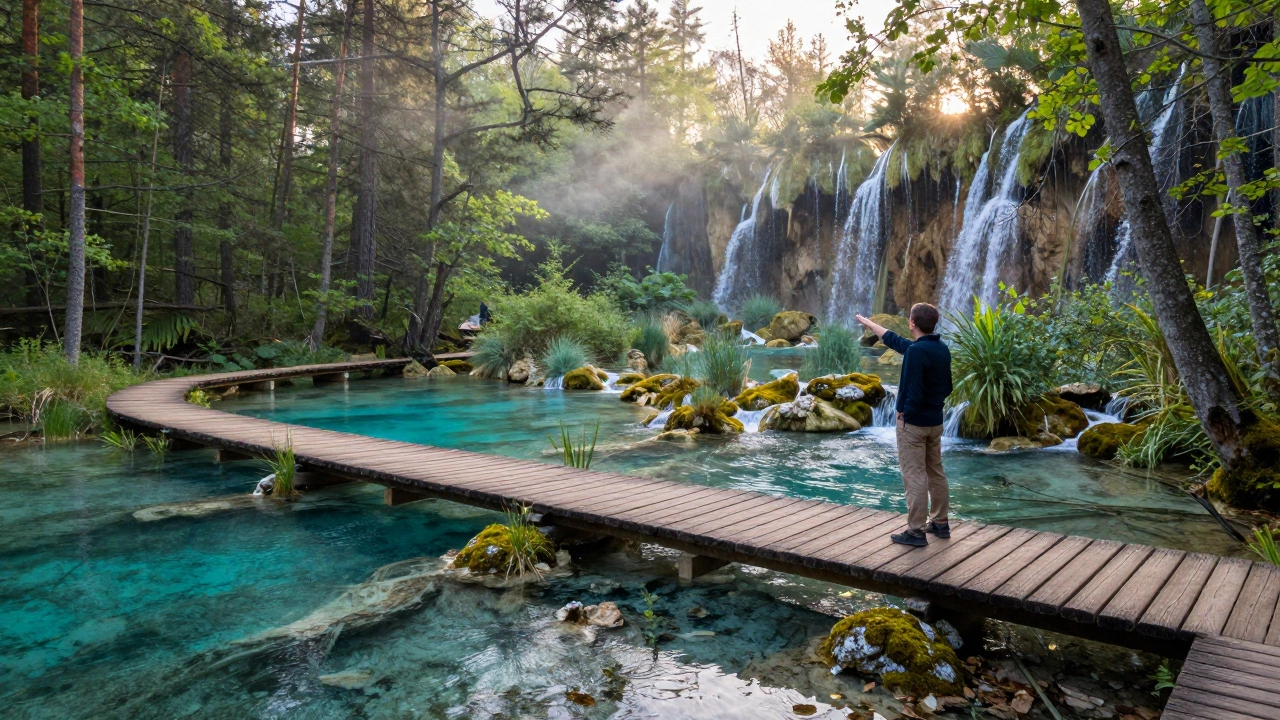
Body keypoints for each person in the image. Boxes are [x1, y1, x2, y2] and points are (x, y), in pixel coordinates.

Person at [856, 304, 953, 547]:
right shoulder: (940, 349)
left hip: (914, 424)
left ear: (912, 322)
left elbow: (914, 389)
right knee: (935, 471)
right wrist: (869, 324)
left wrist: (904, 412)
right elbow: (896, 341)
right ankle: (940, 523)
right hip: (935, 421)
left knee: (914, 475)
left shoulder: (917, 352)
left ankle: (916, 531)